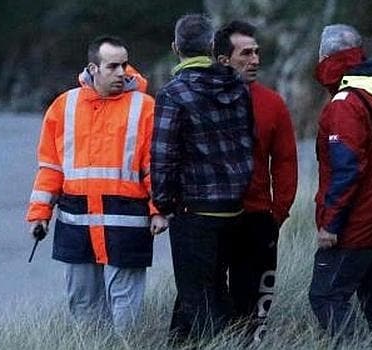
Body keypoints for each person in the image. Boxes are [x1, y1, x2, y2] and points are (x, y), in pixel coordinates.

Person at [25, 35, 167, 335]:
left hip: (126, 223)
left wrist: (158, 210)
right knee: (84, 306)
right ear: (93, 68)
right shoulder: (64, 106)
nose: (122, 73)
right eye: (113, 66)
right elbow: (50, 167)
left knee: (127, 311)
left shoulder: (144, 107)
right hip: (77, 225)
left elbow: (155, 167)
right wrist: (40, 214)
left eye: (124, 65)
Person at [151, 14, 254, 344]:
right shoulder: (238, 86)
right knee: (209, 288)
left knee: (198, 296)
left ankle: (220, 343)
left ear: (175, 48)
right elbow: (248, 141)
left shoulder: (173, 94)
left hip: (194, 211)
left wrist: (163, 204)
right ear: (212, 46)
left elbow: (163, 157)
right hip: (235, 208)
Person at [308, 24, 372, 342]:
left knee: (325, 297)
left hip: (357, 224)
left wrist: (330, 224)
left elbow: (347, 169)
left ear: (326, 57)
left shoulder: (344, 104)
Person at [213, 20, 298, 341]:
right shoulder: (204, 99)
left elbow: (286, 161)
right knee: (215, 299)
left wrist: (279, 211)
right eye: (246, 54)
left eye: (257, 53)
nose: (255, 60)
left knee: (255, 305)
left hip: (258, 217)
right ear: (224, 59)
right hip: (213, 216)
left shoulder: (272, 103)